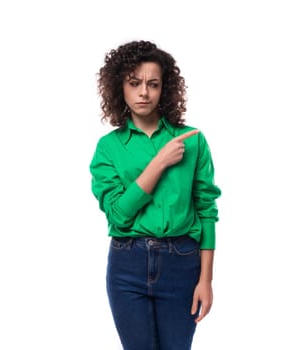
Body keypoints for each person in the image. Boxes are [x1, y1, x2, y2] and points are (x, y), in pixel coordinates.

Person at [89, 40, 221, 350]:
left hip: (183, 263)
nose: (144, 92)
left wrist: (206, 280)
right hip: (127, 265)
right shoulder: (107, 148)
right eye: (134, 83)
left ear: (165, 88)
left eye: (153, 84)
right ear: (119, 87)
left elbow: (207, 211)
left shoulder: (192, 141)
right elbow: (119, 214)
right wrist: (160, 162)